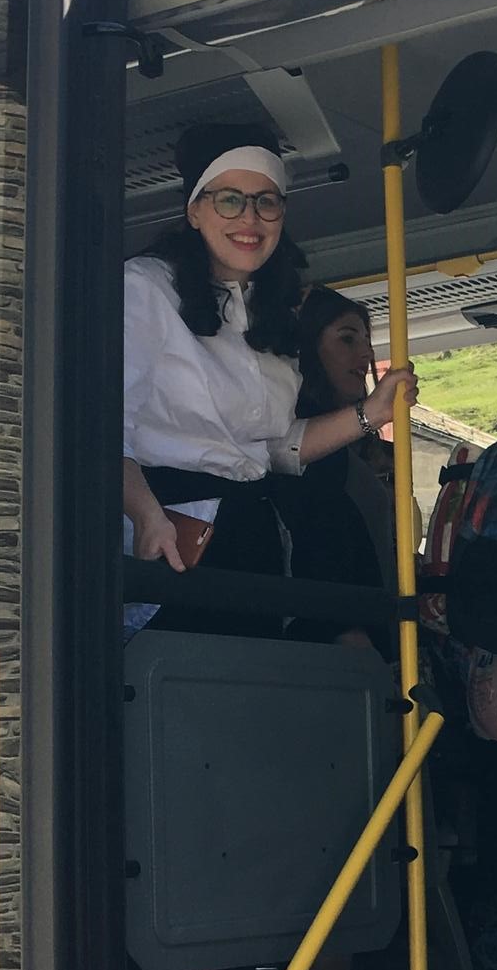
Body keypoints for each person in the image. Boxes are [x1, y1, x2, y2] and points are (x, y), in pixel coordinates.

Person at [122, 125, 416, 613]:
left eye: (266, 201)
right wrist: (146, 514)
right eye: (230, 200)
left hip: (256, 539)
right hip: (172, 536)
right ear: (194, 210)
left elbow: (273, 448)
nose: (250, 218)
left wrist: (370, 413)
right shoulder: (145, 288)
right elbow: (102, 432)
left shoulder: (272, 312)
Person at [282, 284, 400, 648]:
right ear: (308, 348)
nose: (365, 353)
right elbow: (323, 552)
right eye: (347, 340)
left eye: (366, 341)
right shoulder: (308, 447)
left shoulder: (356, 451)